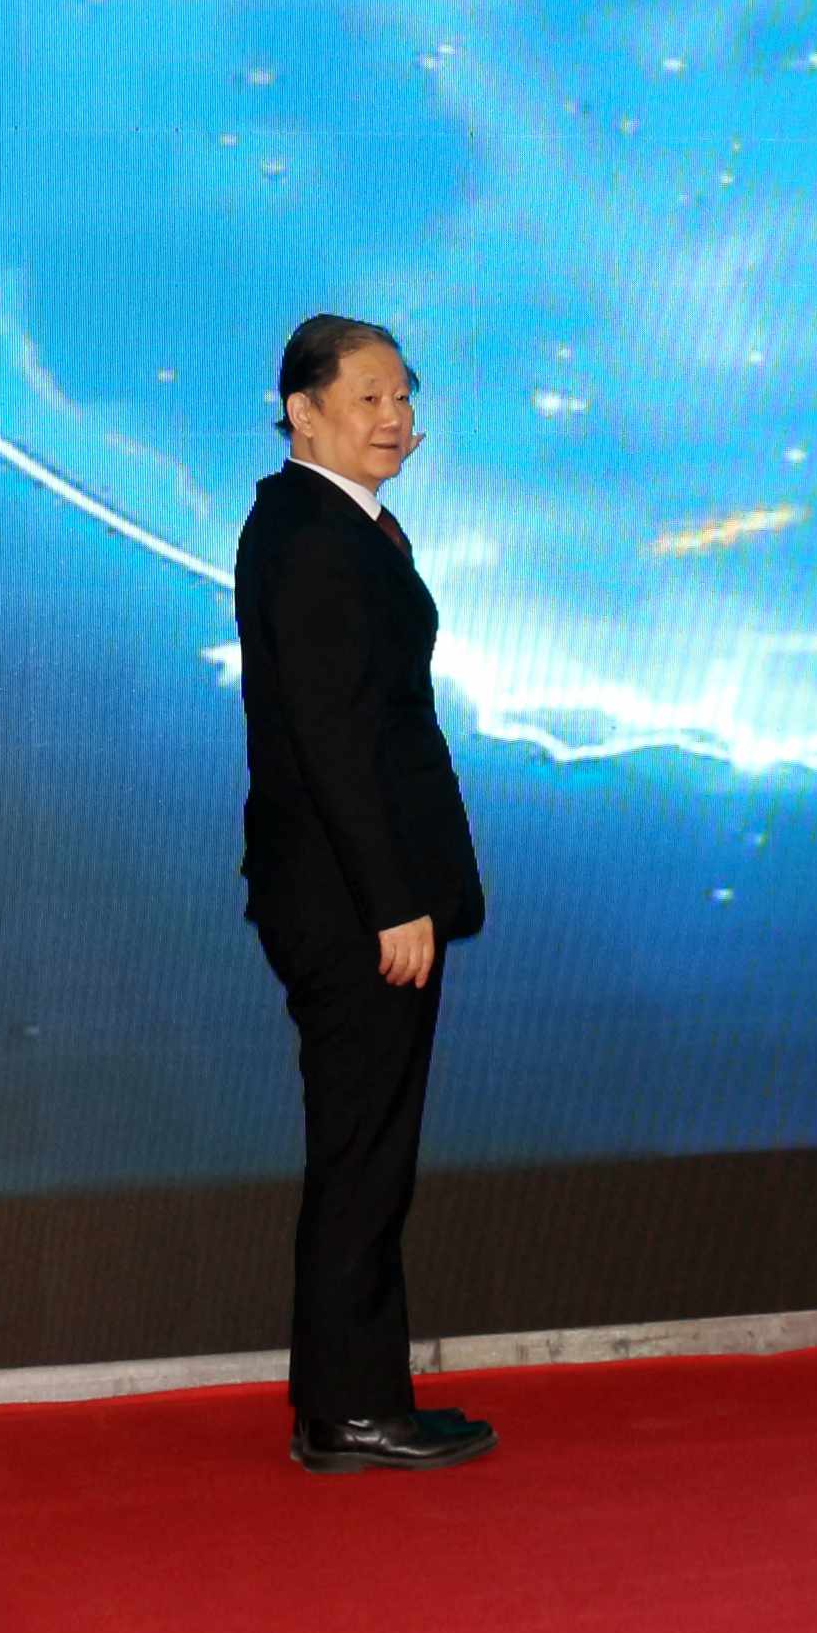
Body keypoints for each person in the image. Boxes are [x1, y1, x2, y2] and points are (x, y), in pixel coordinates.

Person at [231, 314, 495, 1471]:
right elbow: (333, 742)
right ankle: (349, 1410)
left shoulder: (335, 522)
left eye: (403, 397)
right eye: (370, 398)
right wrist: (393, 900)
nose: (396, 419)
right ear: (303, 412)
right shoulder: (312, 536)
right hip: (353, 904)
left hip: (354, 892)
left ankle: (358, 1397)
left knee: (369, 1150)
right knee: (364, 1153)